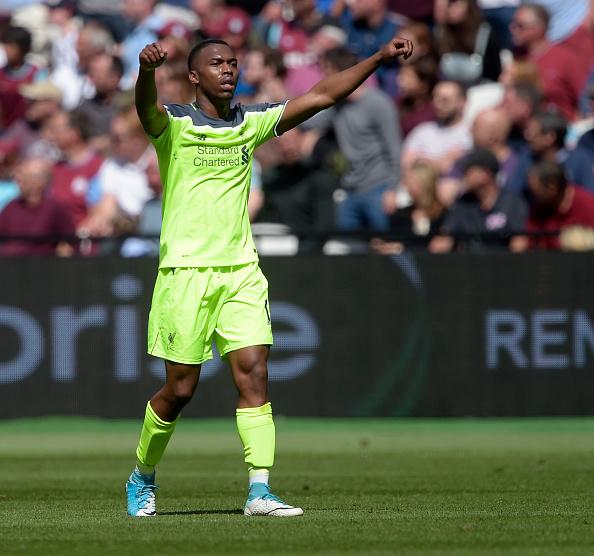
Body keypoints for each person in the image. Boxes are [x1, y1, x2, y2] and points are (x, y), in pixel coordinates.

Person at [125, 34, 413, 518]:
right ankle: (142, 475)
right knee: (179, 390)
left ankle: (259, 490)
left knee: (254, 373)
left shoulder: (250, 123)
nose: (229, 70)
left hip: (240, 271)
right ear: (194, 76)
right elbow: (145, 111)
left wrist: (380, 58)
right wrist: (146, 72)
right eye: (217, 63)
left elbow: (323, 95)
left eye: (234, 63)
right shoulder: (174, 124)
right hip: (185, 274)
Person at [430, 148, 528, 252]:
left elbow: (519, 243)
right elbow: (442, 242)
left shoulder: (511, 202)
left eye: (468, 170)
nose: (464, 174)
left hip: (502, 265)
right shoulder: (463, 203)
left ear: (485, 174)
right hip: (469, 265)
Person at [0, 157, 74, 256]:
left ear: (39, 182)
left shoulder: (55, 208)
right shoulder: (11, 206)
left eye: (23, 177)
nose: (18, 181)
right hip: (9, 266)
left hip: (41, 266)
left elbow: (68, 244)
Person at [519, 159, 594, 250]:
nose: (533, 196)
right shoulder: (537, 211)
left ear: (552, 188)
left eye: (536, 191)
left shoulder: (588, 205)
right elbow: (530, 242)